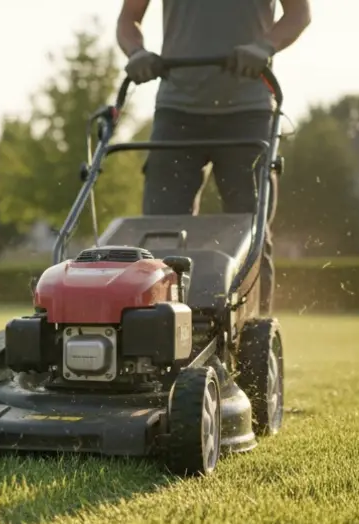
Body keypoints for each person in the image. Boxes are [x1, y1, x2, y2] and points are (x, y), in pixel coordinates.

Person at [116, 0, 311, 316]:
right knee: (160, 231)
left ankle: (254, 342)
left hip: (247, 110)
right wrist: (137, 53)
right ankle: (164, 332)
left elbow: (299, 13)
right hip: (176, 110)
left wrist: (265, 46)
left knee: (251, 231)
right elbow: (128, 19)